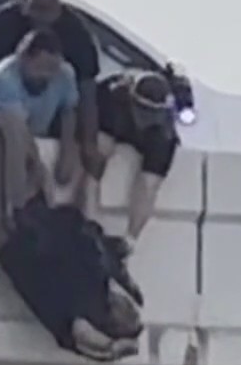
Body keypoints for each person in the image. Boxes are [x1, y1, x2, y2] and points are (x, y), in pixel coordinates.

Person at [0, 103, 140, 362]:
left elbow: (87, 342)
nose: (133, 313)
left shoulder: (77, 311)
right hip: (30, 212)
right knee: (19, 133)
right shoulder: (100, 277)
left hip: (6, 227)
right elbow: (97, 244)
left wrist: (121, 346)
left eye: (129, 321)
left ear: (112, 322)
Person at [0, 0, 102, 185]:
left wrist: (87, 144)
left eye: (48, 14)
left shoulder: (74, 41)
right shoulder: (3, 33)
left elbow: (86, 92)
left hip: (48, 118)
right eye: (38, 12)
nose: (42, 20)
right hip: (2, 112)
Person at [75, 70, 182, 305]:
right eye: (144, 111)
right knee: (100, 152)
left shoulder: (164, 128)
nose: (147, 116)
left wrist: (130, 239)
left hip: (150, 135)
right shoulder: (113, 97)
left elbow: (149, 183)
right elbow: (94, 155)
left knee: (150, 183)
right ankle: (90, 223)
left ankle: (128, 242)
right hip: (114, 121)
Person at [0, 30, 79, 195]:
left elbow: (69, 110)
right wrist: (39, 171)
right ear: (23, 59)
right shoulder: (4, 79)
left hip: (41, 133)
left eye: (52, 69)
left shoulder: (64, 74)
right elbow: (19, 128)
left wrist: (67, 152)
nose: (46, 75)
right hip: (9, 139)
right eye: (40, 68)